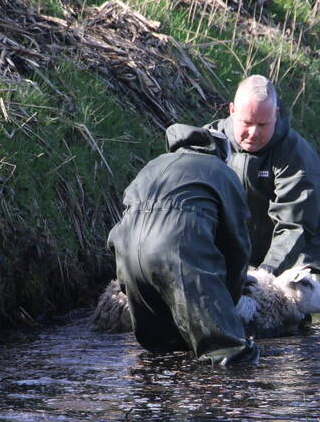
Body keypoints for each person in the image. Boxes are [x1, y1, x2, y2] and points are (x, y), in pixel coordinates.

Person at [107, 124, 259, 365]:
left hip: (127, 258)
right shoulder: (221, 171)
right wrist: (226, 301)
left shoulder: (151, 166)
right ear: (221, 153)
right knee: (229, 354)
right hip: (177, 255)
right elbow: (237, 246)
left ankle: (150, 400)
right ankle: (229, 399)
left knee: (164, 354)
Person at [208, 75, 320, 321]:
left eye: (263, 125)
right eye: (246, 122)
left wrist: (265, 276)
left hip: (300, 250)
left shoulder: (297, 154)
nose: (253, 133)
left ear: (276, 113)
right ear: (231, 111)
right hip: (236, 249)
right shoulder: (209, 143)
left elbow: (293, 225)